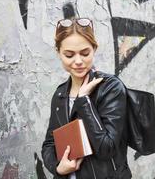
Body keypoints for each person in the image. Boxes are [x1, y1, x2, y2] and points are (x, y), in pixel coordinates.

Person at [41, 17, 132, 179]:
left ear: (94, 49)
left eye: (85, 53)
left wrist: (83, 100)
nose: (78, 61)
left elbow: (107, 149)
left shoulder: (111, 88)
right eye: (69, 55)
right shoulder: (60, 94)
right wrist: (58, 168)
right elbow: (49, 144)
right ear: (58, 53)